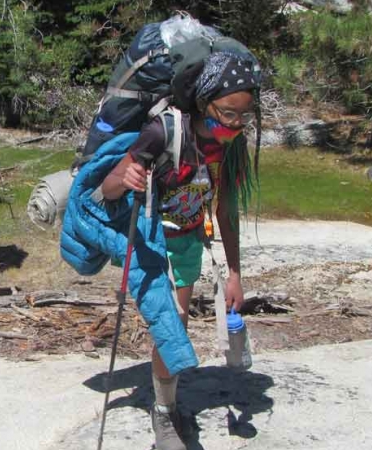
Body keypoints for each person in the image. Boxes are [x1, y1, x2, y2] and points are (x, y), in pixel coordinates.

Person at [98, 51, 259, 450]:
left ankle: (166, 404)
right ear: (205, 104)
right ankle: (165, 418)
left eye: (245, 117)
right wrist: (127, 175)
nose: (237, 126)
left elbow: (225, 208)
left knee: (178, 327)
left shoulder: (228, 147)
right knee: (174, 325)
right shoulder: (162, 132)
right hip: (153, 245)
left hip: (188, 242)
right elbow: (108, 189)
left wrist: (234, 273)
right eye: (229, 115)